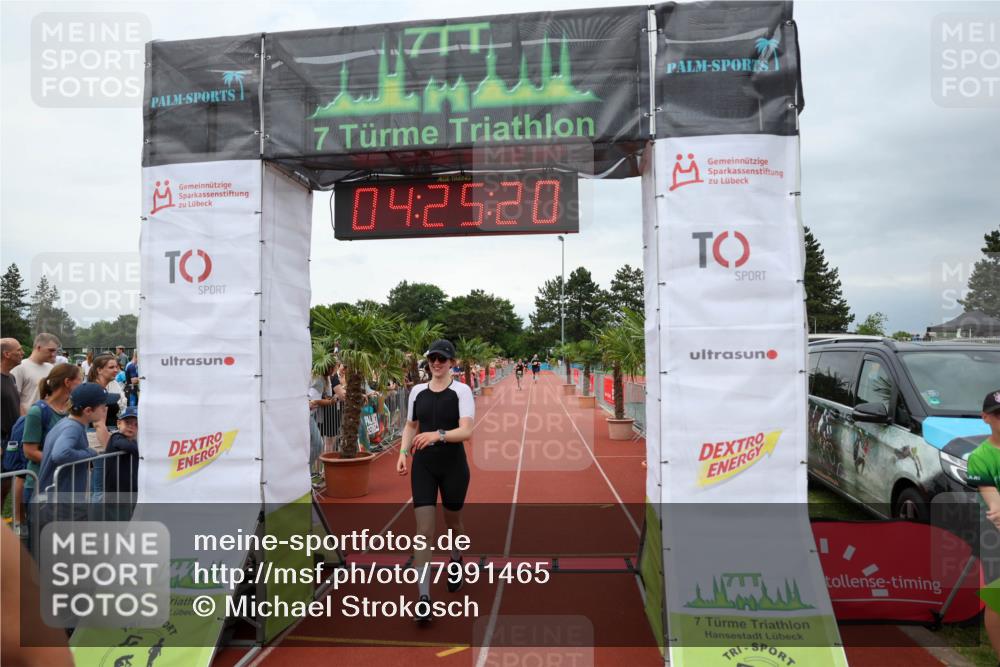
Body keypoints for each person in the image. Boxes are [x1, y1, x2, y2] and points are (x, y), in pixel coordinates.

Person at [397, 339, 475, 622]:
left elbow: (466, 432)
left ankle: (455, 559)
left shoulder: (462, 391)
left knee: (453, 521)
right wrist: (403, 453)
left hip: (453, 466)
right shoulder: (417, 391)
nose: (437, 363)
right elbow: (410, 425)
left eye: (442, 358)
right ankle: (424, 597)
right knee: (424, 530)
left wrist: (437, 435)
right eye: (433, 358)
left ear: (452, 362)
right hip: (424, 467)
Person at [21, 363, 82, 543]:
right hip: (40, 484)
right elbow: (29, 451)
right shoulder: (38, 412)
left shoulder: (72, 411)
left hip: (64, 486)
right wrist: (62, 459)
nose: (83, 383)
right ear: (68, 382)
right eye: (80, 379)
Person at [37, 383, 106, 521]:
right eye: (103, 406)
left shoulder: (67, 423)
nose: (105, 409)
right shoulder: (72, 427)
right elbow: (61, 453)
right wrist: (90, 453)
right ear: (88, 411)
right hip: (62, 502)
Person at [966, 389, 1000, 659]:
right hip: (996, 533)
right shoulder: (980, 457)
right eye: (999, 416)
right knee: (998, 598)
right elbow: (994, 503)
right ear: (986, 417)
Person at [1, 338, 25, 509]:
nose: (22, 353)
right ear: (6, 354)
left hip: (11, 441)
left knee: (4, 489)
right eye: (19, 350)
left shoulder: (11, 378)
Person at [11, 333, 59, 414]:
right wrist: (24, 420)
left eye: (55, 351)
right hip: (27, 420)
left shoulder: (51, 368)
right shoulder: (20, 367)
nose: (53, 354)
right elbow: (14, 399)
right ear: (39, 347)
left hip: (46, 419)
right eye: (51, 350)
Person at [104, 406, 139, 515]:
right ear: (119, 423)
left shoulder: (134, 442)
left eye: (136, 424)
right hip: (116, 494)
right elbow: (128, 446)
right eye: (128, 422)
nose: (131, 427)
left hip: (130, 493)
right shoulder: (116, 437)